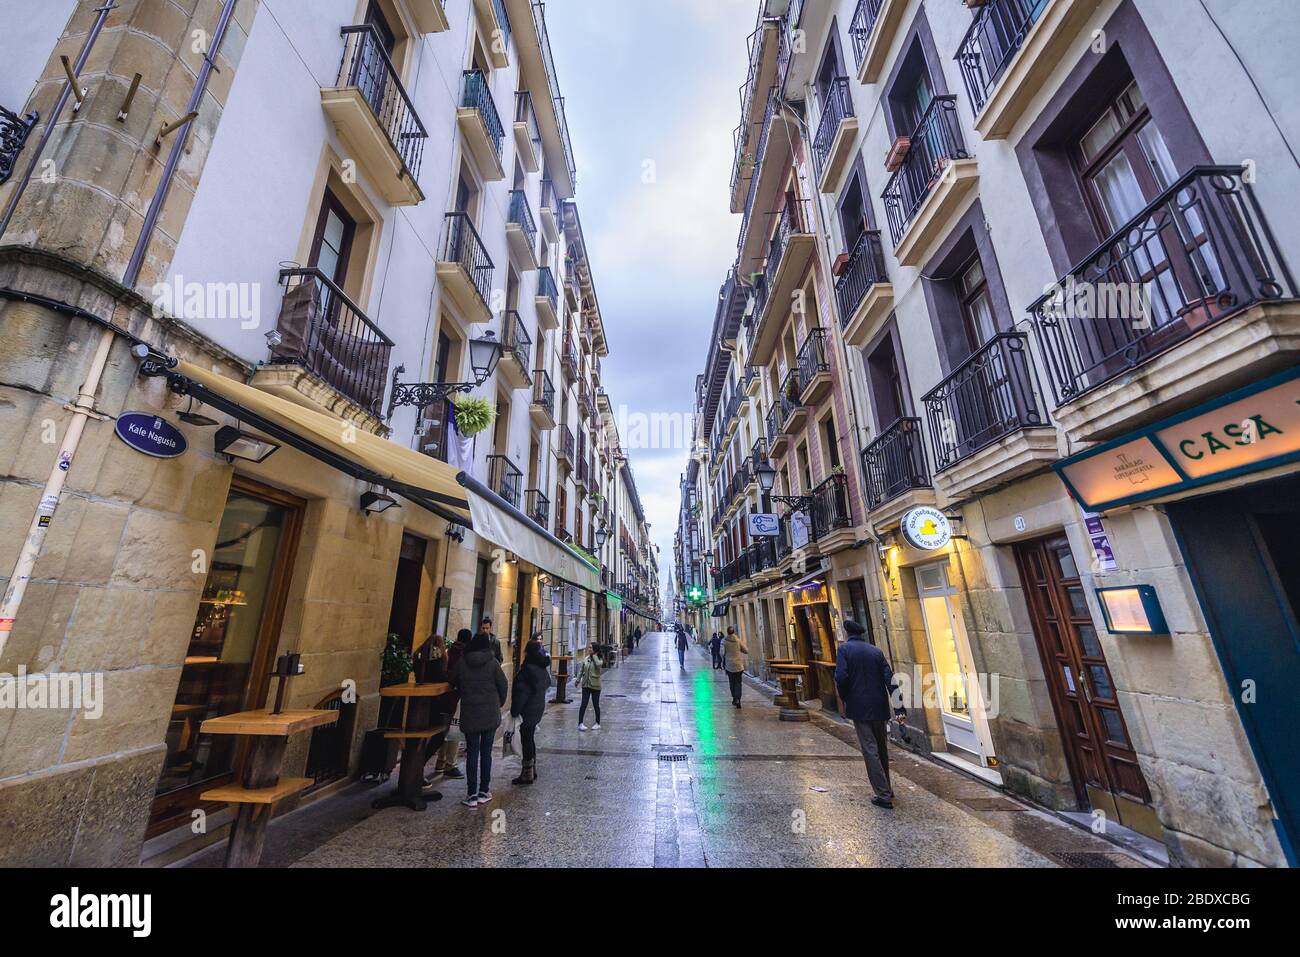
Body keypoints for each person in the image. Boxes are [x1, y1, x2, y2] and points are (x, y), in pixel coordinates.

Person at [833, 619, 907, 808]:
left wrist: (845, 697)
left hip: (859, 707)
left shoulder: (844, 650)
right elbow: (891, 680)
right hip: (879, 706)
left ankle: (883, 794)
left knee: (870, 749)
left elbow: (841, 677)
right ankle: (887, 788)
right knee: (881, 748)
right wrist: (899, 709)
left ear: (847, 634)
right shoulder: (876, 651)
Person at [451, 628, 508, 807]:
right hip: (490, 714)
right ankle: (484, 790)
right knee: (486, 753)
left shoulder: (462, 662)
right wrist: (499, 702)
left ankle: (471, 794)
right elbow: (504, 685)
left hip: (470, 713)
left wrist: (463, 691)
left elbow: (451, 680)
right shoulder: (493, 664)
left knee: (472, 753)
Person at [509, 632, 551, 786]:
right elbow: (546, 684)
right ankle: (532, 770)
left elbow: (521, 694)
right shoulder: (541, 668)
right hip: (537, 708)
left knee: (526, 740)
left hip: (527, 710)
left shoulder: (527, 670)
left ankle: (527, 774)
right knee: (530, 738)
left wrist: (514, 711)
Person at [577, 642, 602, 731]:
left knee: (596, 705)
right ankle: (580, 723)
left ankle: (598, 723)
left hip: (595, 685)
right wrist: (577, 680)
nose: (589, 649)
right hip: (586, 685)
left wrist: (594, 656)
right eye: (589, 647)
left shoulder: (599, 658)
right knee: (583, 704)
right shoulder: (586, 658)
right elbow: (581, 670)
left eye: (591, 648)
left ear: (595, 649)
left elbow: (599, 665)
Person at [722, 625, 748, 707]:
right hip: (738, 665)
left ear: (727, 632)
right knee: (738, 683)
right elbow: (746, 651)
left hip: (729, 666)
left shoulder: (724, 641)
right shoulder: (738, 641)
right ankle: (738, 699)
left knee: (732, 683)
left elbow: (722, 653)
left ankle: (734, 698)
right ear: (734, 632)